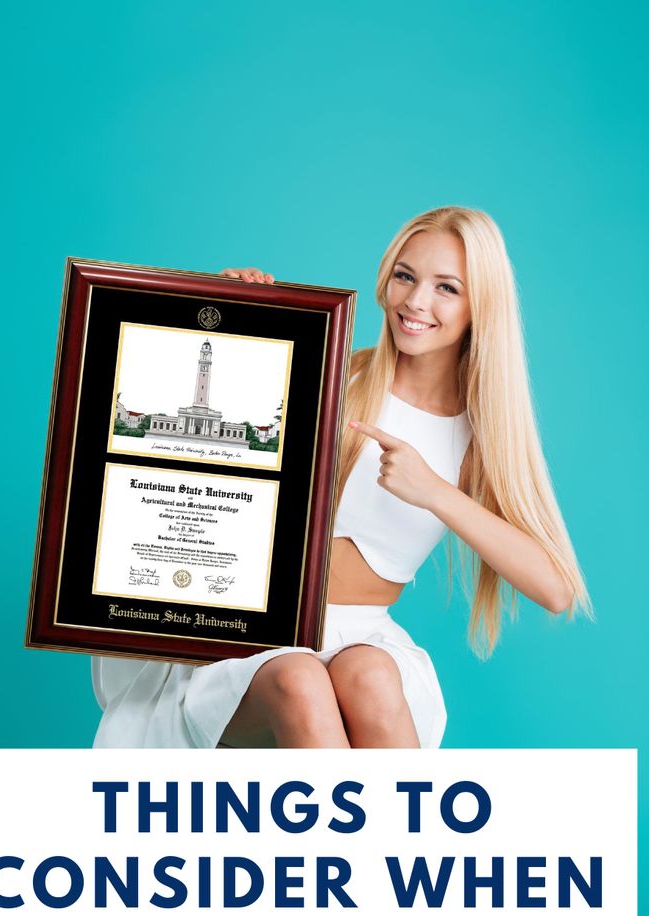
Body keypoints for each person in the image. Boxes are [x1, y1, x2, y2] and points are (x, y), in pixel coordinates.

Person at [92, 206, 590, 751]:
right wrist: (235, 320)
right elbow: (193, 463)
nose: (416, 302)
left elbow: (555, 589)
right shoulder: (330, 372)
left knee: (373, 679)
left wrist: (435, 491)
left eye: (447, 287)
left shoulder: (480, 436)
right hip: (251, 646)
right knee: (300, 681)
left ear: (481, 307)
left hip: (361, 637)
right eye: (405, 276)